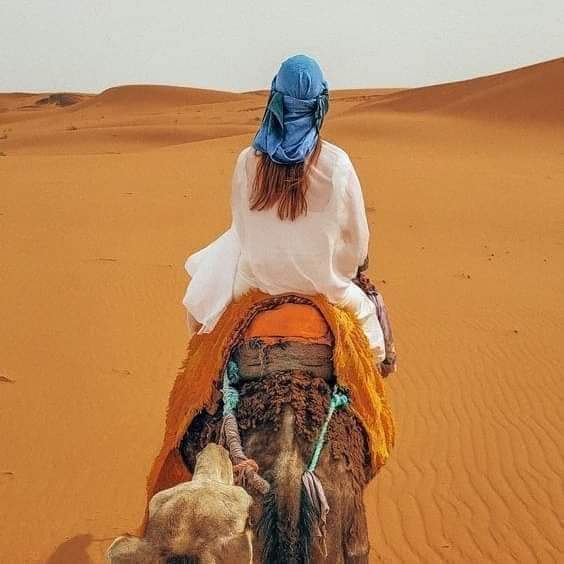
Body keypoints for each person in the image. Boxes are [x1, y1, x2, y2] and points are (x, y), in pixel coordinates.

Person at [183, 54, 387, 366]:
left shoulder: (247, 161)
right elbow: (357, 242)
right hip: (326, 287)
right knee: (373, 342)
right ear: (320, 105)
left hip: (255, 282)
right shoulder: (338, 164)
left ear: (275, 99)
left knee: (203, 327)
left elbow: (242, 229)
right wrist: (342, 270)